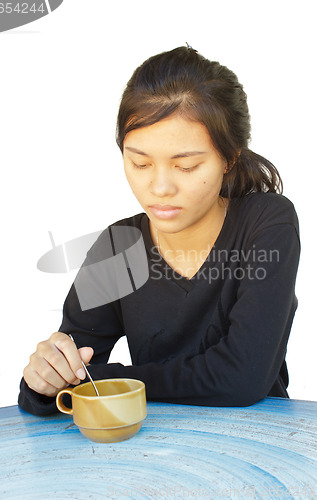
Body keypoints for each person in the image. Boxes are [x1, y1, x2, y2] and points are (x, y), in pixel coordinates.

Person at [18, 46, 300, 416]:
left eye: (185, 166)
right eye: (140, 162)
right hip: (153, 454)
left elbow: (242, 377)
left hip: (261, 445)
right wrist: (42, 382)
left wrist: (101, 380)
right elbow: (65, 385)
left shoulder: (266, 222)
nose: (160, 187)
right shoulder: (117, 250)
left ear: (229, 158)